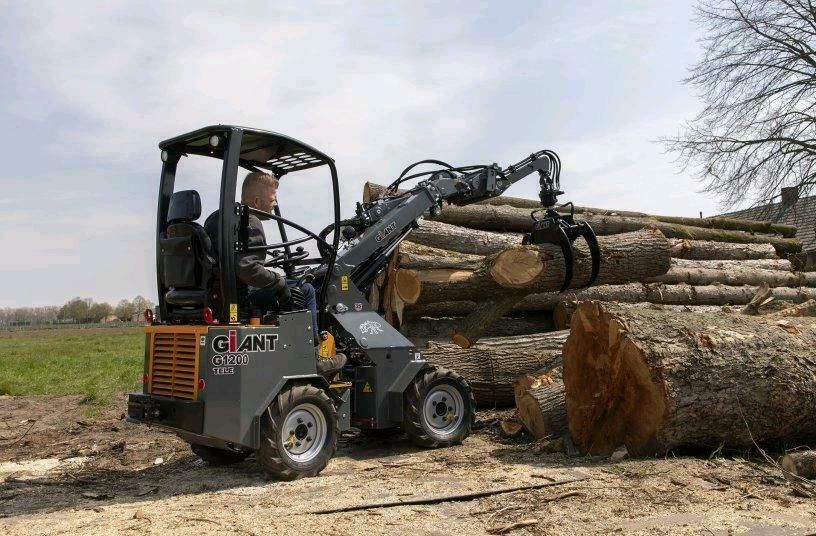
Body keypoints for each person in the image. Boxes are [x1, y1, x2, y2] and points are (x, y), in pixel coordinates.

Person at [204, 172, 318, 336]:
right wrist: (279, 282)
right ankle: (315, 354)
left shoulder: (216, 218)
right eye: (272, 200)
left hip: (217, 293)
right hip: (240, 296)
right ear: (257, 202)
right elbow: (248, 269)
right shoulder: (250, 221)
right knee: (306, 289)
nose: (275, 204)